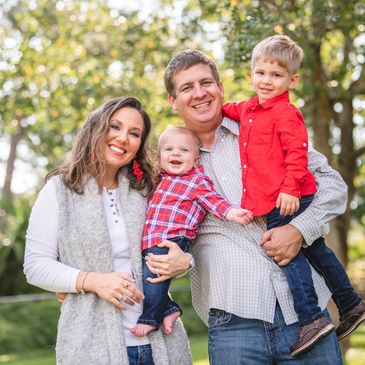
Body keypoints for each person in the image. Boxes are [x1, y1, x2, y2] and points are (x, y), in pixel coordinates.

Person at [145, 49, 350, 364]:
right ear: (173, 101)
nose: (199, 93)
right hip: (233, 323)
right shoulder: (168, 164)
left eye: (206, 83)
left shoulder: (267, 125)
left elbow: (334, 187)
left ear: (221, 88)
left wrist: (299, 229)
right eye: (187, 88)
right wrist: (181, 262)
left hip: (308, 317)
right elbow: (163, 232)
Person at [221, 34, 365, 357]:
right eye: (261, 73)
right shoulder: (248, 108)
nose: (266, 80)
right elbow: (223, 109)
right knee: (318, 252)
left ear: (292, 79)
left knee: (287, 255)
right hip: (281, 196)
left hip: (285, 198)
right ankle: (350, 303)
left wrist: (289, 189)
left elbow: (297, 154)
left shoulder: (286, 114)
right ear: (252, 73)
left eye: (276, 75)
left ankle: (311, 318)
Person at [24, 96, 192, 365]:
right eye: (115, 127)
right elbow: (35, 265)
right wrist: (93, 281)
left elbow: (181, 236)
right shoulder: (59, 191)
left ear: (139, 145)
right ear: (96, 128)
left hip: (161, 343)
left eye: (134, 133)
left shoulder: (148, 190)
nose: (123, 137)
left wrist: (185, 261)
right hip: (91, 347)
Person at [131, 126, 253, 337]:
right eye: (169, 149)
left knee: (153, 277)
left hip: (173, 239)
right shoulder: (158, 178)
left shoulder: (196, 181)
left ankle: (149, 318)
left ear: (196, 160)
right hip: (151, 239)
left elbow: (213, 200)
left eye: (184, 150)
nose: (176, 153)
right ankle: (169, 308)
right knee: (142, 276)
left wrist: (231, 212)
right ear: (159, 158)